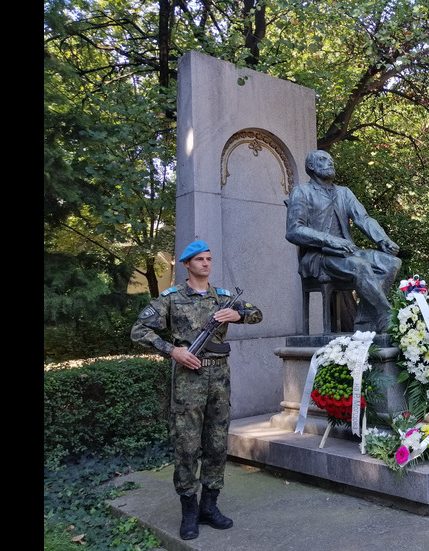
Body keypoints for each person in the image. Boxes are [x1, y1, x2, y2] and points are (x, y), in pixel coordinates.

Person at [130, 240, 263, 540]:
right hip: (189, 378)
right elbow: (139, 330)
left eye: (209, 259)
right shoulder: (172, 298)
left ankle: (209, 507)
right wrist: (171, 350)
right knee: (187, 447)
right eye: (199, 260)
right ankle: (189, 511)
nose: (205, 264)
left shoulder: (224, 297)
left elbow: (258, 313)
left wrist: (239, 315)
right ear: (187, 264)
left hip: (220, 378)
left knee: (217, 445)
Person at [285, 150, 402, 332]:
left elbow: (363, 218)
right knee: (360, 265)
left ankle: (365, 322)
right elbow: (294, 230)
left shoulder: (344, 193)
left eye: (331, 160)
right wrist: (330, 241)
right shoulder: (302, 192)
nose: (330, 163)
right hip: (319, 257)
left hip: (349, 252)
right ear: (311, 166)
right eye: (323, 160)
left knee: (392, 263)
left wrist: (383, 239)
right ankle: (387, 317)